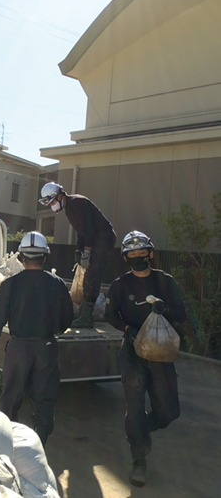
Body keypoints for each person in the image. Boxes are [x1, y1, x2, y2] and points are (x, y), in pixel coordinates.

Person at [105, 231, 187, 487]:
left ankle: (142, 431)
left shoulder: (165, 281)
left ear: (150, 254)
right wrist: (127, 330)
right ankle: (138, 457)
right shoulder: (120, 285)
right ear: (126, 258)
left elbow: (181, 314)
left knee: (169, 411)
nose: (138, 258)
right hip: (132, 353)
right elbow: (110, 314)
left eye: (142, 253)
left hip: (160, 353)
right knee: (135, 405)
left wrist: (166, 309)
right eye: (132, 255)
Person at [0, 231, 74, 445]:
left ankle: (9, 442)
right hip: (46, 347)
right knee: (44, 398)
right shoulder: (58, 284)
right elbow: (68, 318)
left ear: (21, 257)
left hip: (18, 348)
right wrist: (54, 331)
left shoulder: (9, 285)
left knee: (11, 397)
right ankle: (38, 443)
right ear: (45, 257)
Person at [38, 182, 116, 328]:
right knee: (89, 275)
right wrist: (78, 251)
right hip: (96, 239)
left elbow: (88, 229)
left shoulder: (77, 203)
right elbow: (81, 232)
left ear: (60, 195)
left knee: (93, 274)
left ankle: (86, 316)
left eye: (53, 201)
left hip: (103, 238)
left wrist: (87, 250)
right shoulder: (70, 208)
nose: (52, 205)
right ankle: (84, 312)